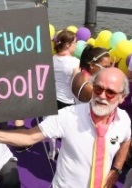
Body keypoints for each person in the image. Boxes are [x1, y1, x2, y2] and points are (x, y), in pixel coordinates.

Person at [0, 67, 131, 188]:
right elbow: (30, 136)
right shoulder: (68, 116)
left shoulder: (123, 119)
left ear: (122, 97)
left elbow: (126, 139)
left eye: (110, 92)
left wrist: (116, 169)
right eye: (98, 89)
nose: (102, 96)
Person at [49, 29, 80, 159]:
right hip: (67, 100)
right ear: (67, 45)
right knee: (68, 130)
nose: (76, 45)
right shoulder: (74, 62)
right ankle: (65, 154)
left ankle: (51, 152)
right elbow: (76, 84)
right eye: (75, 42)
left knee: (51, 126)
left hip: (52, 98)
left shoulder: (51, 59)